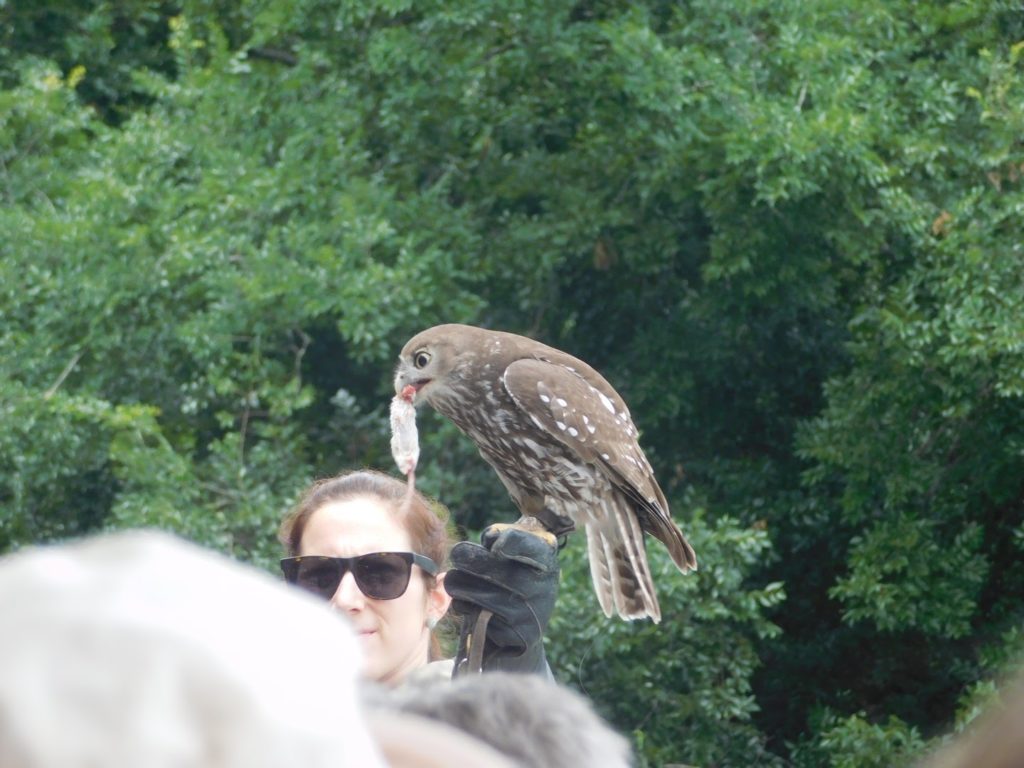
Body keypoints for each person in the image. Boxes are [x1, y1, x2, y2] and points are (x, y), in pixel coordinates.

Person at [277, 468, 560, 685]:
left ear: (436, 598)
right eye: (319, 576)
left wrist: (521, 676)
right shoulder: (253, 727)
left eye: (380, 572)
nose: (345, 598)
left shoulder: (469, 718)